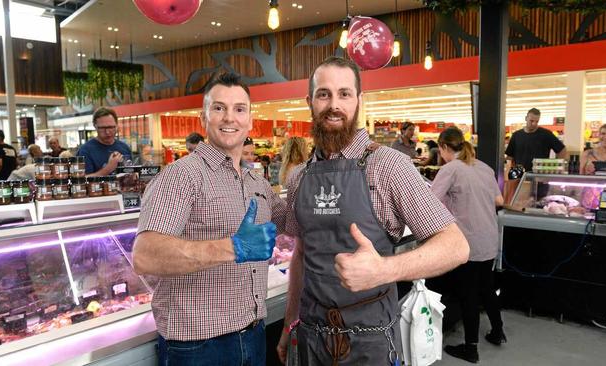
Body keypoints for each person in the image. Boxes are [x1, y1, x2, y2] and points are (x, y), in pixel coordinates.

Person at [276, 57, 469, 365]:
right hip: (311, 336)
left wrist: (385, 269)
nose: (334, 104)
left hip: (370, 338)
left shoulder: (389, 166)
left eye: (344, 94)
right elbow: (301, 254)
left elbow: (456, 246)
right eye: (324, 94)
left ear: (359, 101)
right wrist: (289, 323)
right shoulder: (300, 176)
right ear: (310, 102)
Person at [132, 73, 286, 365]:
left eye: (239, 109)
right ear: (204, 118)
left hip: (253, 335)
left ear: (250, 120)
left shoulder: (257, 182)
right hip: (198, 347)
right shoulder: (181, 175)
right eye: (219, 108)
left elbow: (293, 222)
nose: (230, 118)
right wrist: (234, 247)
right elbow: (145, 256)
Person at [431, 127, 506, 364]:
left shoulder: (450, 169)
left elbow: (430, 203)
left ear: (443, 147)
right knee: (486, 287)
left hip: (468, 242)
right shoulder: (483, 167)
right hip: (489, 240)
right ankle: (497, 332)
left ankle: (470, 348)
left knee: (468, 295)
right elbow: (499, 201)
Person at [77, 107, 132, 177]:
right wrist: (108, 168)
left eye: (111, 127)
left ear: (117, 125)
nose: (107, 132)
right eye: (102, 128)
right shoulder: (85, 151)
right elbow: (82, 181)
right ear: (95, 126)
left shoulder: (124, 148)